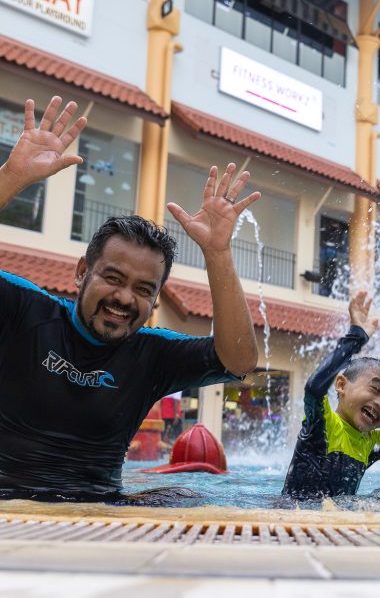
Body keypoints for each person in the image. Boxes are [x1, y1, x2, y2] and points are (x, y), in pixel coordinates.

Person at [0, 95, 261, 501]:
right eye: (113, 277)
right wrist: (13, 176)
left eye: (143, 289)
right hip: (8, 503)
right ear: (82, 272)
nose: (123, 298)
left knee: (185, 499)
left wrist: (218, 254)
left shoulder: (152, 355)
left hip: (100, 509)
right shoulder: (25, 311)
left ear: (156, 300)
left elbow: (241, 360)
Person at [282, 291, 380, 498]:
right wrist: (355, 337)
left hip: (337, 523)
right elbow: (314, 388)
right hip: (293, 519)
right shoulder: (324, 425)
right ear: (341, 384)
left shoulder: (370, 442)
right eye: (375, 389)